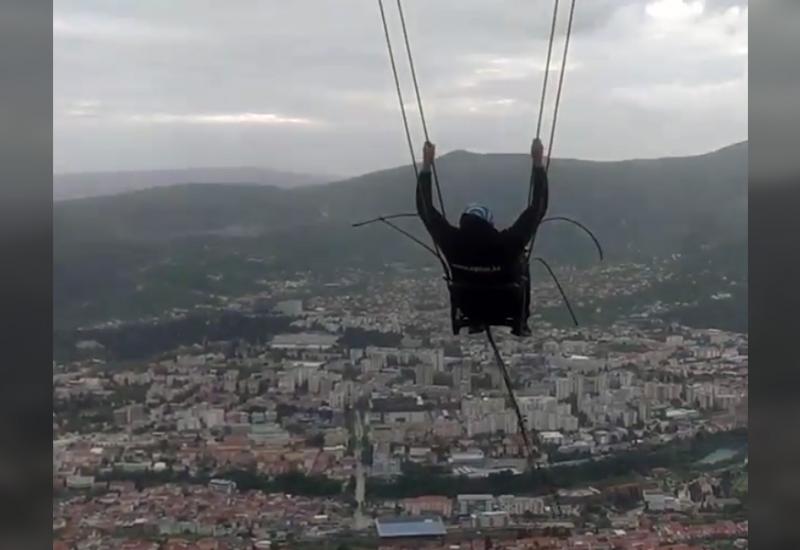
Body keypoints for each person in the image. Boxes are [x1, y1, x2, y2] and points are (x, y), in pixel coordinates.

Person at [416, 138, 549, 336]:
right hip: (508, 306)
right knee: (522, 259)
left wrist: (426, 165)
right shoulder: (507, 243)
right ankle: (521, 322)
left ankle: (476, 322)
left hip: (470, 308)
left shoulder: (451, 242)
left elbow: (424, 208)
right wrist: (538, 163)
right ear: (489, 224)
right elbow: (538, 207)